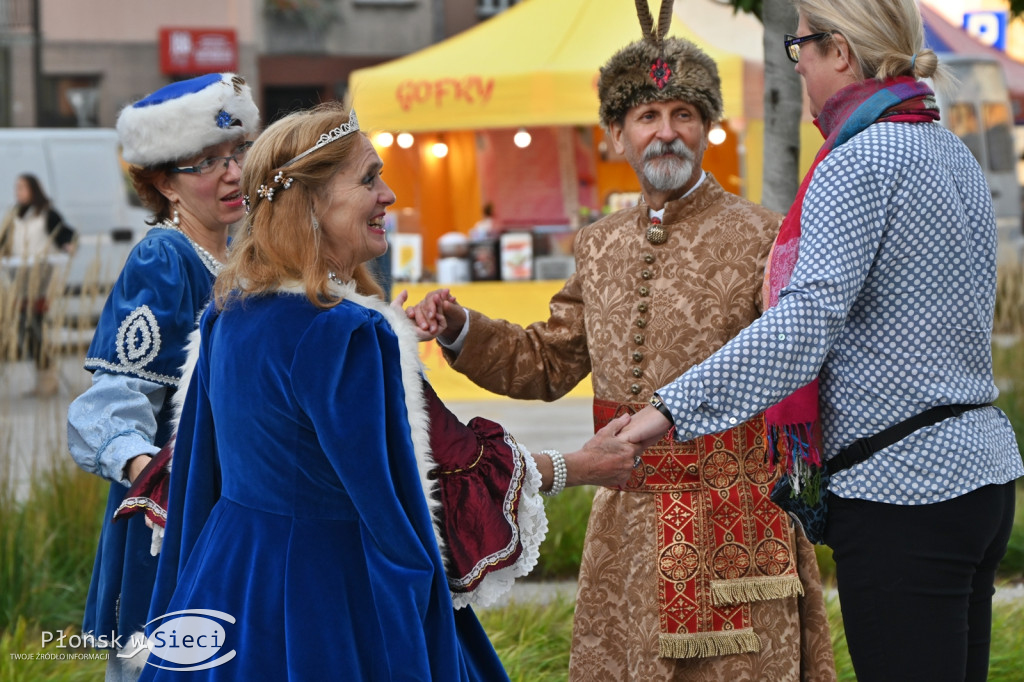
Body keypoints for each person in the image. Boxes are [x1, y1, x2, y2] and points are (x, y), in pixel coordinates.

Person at [135, 102, 640, 680]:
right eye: (369, 179)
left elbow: (197, 485)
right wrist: (416, 650)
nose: (389, 196)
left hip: (230, 579)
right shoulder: (347, 333)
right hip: (326, 600)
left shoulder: (228, 316)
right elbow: (400, 523)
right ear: (312, 205)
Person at [407, 3, 837, 679]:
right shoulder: (599, 243)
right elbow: (547, 364)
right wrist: (463, 328)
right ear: (616, 135)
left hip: (733, 523)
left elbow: (801, 365)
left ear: (706, 129)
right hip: (626, 524)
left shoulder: (764, 235)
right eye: (647, 117)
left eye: (683, 115)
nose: (666, 133)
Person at [620, 1, 1024, 680]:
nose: (797, 61)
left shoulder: (858, 162)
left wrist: (671, 409)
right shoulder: (948, 147)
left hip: (905, 488)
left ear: (840, 51)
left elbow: (803, 326)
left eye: (800, 45)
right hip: (979, 472)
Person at [66, 72, 259, 681]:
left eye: (236, 153)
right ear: (160, 182)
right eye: (206, 162)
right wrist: (153, 481)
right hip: (171, 520)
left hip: (233, 507)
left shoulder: (243, 254)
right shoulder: (165, 257)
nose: (233, 173)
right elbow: (110, 407)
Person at [0, 173, 76, 396]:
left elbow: (66, 234)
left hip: (40, 280)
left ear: (34, 190)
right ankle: (43, 377)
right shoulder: (16, 215)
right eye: (17, 188)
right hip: (19, 281)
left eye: (22, 188)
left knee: (35, 327)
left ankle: (48, 380)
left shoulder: (47, 214)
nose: (18, 192)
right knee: (26, 328)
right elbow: (4, 240)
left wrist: (67, 245)